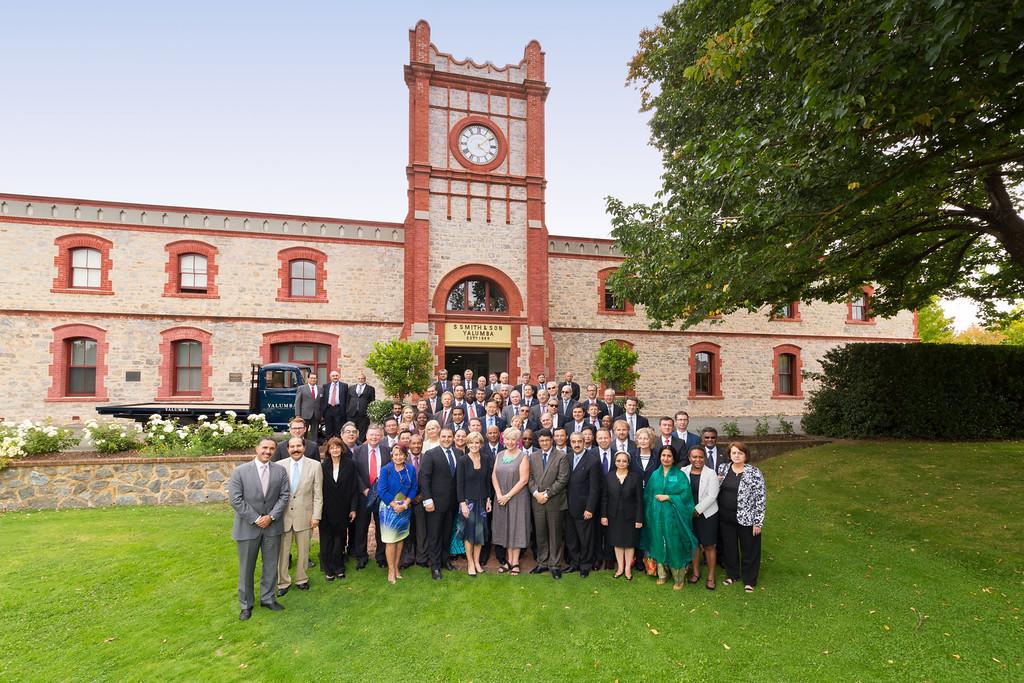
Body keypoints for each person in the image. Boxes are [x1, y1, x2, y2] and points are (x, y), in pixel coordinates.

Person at [228, 438, 290, 620]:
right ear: (257, 448)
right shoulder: (240, 472)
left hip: (272, 526)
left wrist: (270, 517)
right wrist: (256, 518)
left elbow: (284, 496)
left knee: (271, 565)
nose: (268, 451)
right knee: (246, 567)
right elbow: (236, 499)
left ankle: (268, 598)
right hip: (247, 527)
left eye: (272, 449)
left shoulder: (280, 471)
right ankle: (246, 605)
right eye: (265, 448)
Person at [641, 445, 698, 589]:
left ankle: (679, 579)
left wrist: (669, 497)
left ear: (674, 459)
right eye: (663, 455)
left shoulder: (679, 475)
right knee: (658, 543)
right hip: (656, 518)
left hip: (674, 517)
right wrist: (648, 513)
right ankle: (662, 575)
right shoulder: (655, 475)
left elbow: (686, 496)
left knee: (674, 545)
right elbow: (648, 495)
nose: (665, 458)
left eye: (669, 456)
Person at [275, 436, 323, 596]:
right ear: (287, 449)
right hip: (283, 516)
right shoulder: (279, 466)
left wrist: (316, 516)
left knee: (304, 551)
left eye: (298, 446)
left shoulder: (315, 466)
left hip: (305, 515)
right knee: (282, 551)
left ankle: (302, 579)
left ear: (304, 447)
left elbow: (318, 494)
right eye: (292, 447)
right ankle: (283, 582)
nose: (295, 449)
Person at [716, 442, 766, 593]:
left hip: (747, 519)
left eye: (740, 453)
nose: (736, 456)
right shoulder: (723, 469)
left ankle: (749, 580)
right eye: (734, 453)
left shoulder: (754, 472)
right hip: (725, 517)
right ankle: (732, 575)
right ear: (729, 454)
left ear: (746, 455)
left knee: (749, 549)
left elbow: (760, 498)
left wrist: (758, 522)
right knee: (729, 547)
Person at [419, 426, 460, 580]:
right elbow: (424, 478)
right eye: (444, 436)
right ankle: (435, 566)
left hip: (451, 504)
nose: (446, 439)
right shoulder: (431, 454)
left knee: (447, 534)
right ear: (439, 437)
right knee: (435, 536)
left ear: (453, 438)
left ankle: (445, 560)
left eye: (449, 436)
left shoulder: (458, 453)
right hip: (435, 503)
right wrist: (427, 500)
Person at [528, 429, 570, 579]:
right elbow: (530, 477)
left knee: (555, 534)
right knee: (540, 534)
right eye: (541, 441)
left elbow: (562, 479)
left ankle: (555, 565)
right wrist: (536, 494)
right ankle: (543, 562)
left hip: (555, 502)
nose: (544, 443)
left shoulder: (561, 456)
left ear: (552, 440)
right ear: (538, 442)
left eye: (547, 440)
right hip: (537, 502)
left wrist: (546, 494)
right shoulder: (533, 456)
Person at [491, 427, 531, 576]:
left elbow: (524, 480)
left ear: (518, 441)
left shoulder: (523, 456)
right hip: (501, 497)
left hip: (517, 497)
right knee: (506, 527)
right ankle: (508, 560)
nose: (510, 442)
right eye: (507, 439)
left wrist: (507, 496)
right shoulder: (500, 455)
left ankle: (515, 562)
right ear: (503, 440)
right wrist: (499, 494)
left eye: (513, 439)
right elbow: (494, 475)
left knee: (516, 527)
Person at [377, 444, 418, 584]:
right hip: (389, 509)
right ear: (391, 456)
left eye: (401, 454)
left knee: (400, 538)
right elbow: (381, 490)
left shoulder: (410, 469)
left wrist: (406, 503)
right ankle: (390, 571)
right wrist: (394, 505)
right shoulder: (385, 470)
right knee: (390, 540)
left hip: (405, 508)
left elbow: (414, 488)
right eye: (395, 455)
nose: (398, 457)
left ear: (405, 456)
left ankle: (396, 568)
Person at [351, 426, 391, 569]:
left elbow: (389, 471)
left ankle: (381, 556)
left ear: (381, 437)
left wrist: (383, 490)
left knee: (381, 528)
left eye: (377, 435)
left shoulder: (387, 450)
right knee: (362, 527)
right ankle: (361, 556)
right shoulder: (357, 451)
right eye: (371, 435)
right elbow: (355, 472)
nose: (374, 437)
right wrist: (364, 489)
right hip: (364, 495)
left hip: (382, 495)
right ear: (366, 436)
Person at [601, 451, 644, 580]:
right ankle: (620, 567)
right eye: (618, 461)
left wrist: (639, 518)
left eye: (624, 461)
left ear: (628, 463)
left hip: (630, 516)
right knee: (617, 542)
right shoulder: (608, 477)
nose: (621, 463)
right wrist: (603, 516)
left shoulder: (635, 477)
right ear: (615, 462)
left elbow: (639, 500)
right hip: (613, 516)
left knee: (629, 543)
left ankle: (627, 569)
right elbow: (604, 498)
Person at [320, 436, 358, 580]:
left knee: (340, 540)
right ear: (328, 450)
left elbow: (354, 488)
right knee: (326, 540)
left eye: (337, 447)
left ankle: (339, 567)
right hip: (326, 509)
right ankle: (328, 569)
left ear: (342, 449)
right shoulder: (323, 466)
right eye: (332, 447)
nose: (335, 450)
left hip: (343, 508)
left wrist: (353, 508)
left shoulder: (350, 465)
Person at [682, 446, 720, 590]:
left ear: (704, 458)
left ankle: (710, 576)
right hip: (688, 514)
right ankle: (696, 572)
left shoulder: (711, 474)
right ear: (689, 458)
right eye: (694, 457)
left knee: (709, 545)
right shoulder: (683, 471)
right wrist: (688, 510)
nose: (697, 460)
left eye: (700, 457)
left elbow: (712, 496)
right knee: (694, 544)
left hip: (707, 514)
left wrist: (696, 510)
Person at [457, 432, 494, 577]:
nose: (474, 445)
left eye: (477, 442)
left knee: (480, 533)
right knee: (469, 534)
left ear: (481, 444)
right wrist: (462, 504)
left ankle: (477, 561)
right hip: (468, 503)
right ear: (467, 444)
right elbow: (459, 484)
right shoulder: (463, 460)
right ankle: (470, 562)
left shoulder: (485, 459)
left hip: (482, 501)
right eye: (471, 443)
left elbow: (487, 481)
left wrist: (488, 499)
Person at [565, 432, 601, 577]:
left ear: (584, 441)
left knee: (585, 539)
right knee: (571, 538)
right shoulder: (567, 458)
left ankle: (586, 565)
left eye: (579, 441)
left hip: (584, 508)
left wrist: (590, 508)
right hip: (568, 506)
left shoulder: (592, 460)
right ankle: (574, 563)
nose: (576, 444)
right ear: (570, 443)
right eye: (573, 442)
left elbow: (594, 488)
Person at [400, 434, 429, 569]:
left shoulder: (427, 458)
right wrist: (408, 498)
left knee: (422, 530)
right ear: (409, 445)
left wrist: (422, 495)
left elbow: (431, 479)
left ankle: (422, 557)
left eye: (419, 443)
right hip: (406, 501)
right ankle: (408, 557)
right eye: (414, 443)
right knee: (407, 530)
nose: (416, 446)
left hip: (422, 499)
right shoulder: (403, 460)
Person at [294, 373, 323, 443]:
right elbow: (297, 402)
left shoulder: (321, 389)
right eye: (311, 378)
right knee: (304, 431)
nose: (313, 379)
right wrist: (297, 415)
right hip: (305, 414)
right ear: (308, 379)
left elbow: (322, 402)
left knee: (315, 432)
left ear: (316, 379)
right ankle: (303, 444)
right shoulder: (301, 388)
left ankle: (314, 446)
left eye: (315, 378)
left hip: (316, 414)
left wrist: (322, 414)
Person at [321, 371, 350, 440]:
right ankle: (329, 444)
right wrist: (323, 411)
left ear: (339, 376)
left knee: (338, 428)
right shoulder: (325, 386)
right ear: (330, 377)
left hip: (339, 409)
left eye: (336, 375)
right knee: (329, 428)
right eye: (333, 376)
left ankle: (339, 444)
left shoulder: (344, 386)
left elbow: (347, 399)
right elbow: (323, 398)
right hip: (328, 409)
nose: (335, 377)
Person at [348, 371, 375, 440]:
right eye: (359, 378)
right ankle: (353, 442)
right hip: (352, 413)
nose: (361, 380)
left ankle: (361, 443)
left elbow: (372, 401)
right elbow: (347, 400)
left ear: (365, 379)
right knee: (352, 429)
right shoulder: (351, 388)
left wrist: (370, 413)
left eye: (362, 378)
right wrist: (347, 410)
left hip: (364, 413)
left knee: (363, 430)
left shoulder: (370, 389)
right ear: (357, 379)